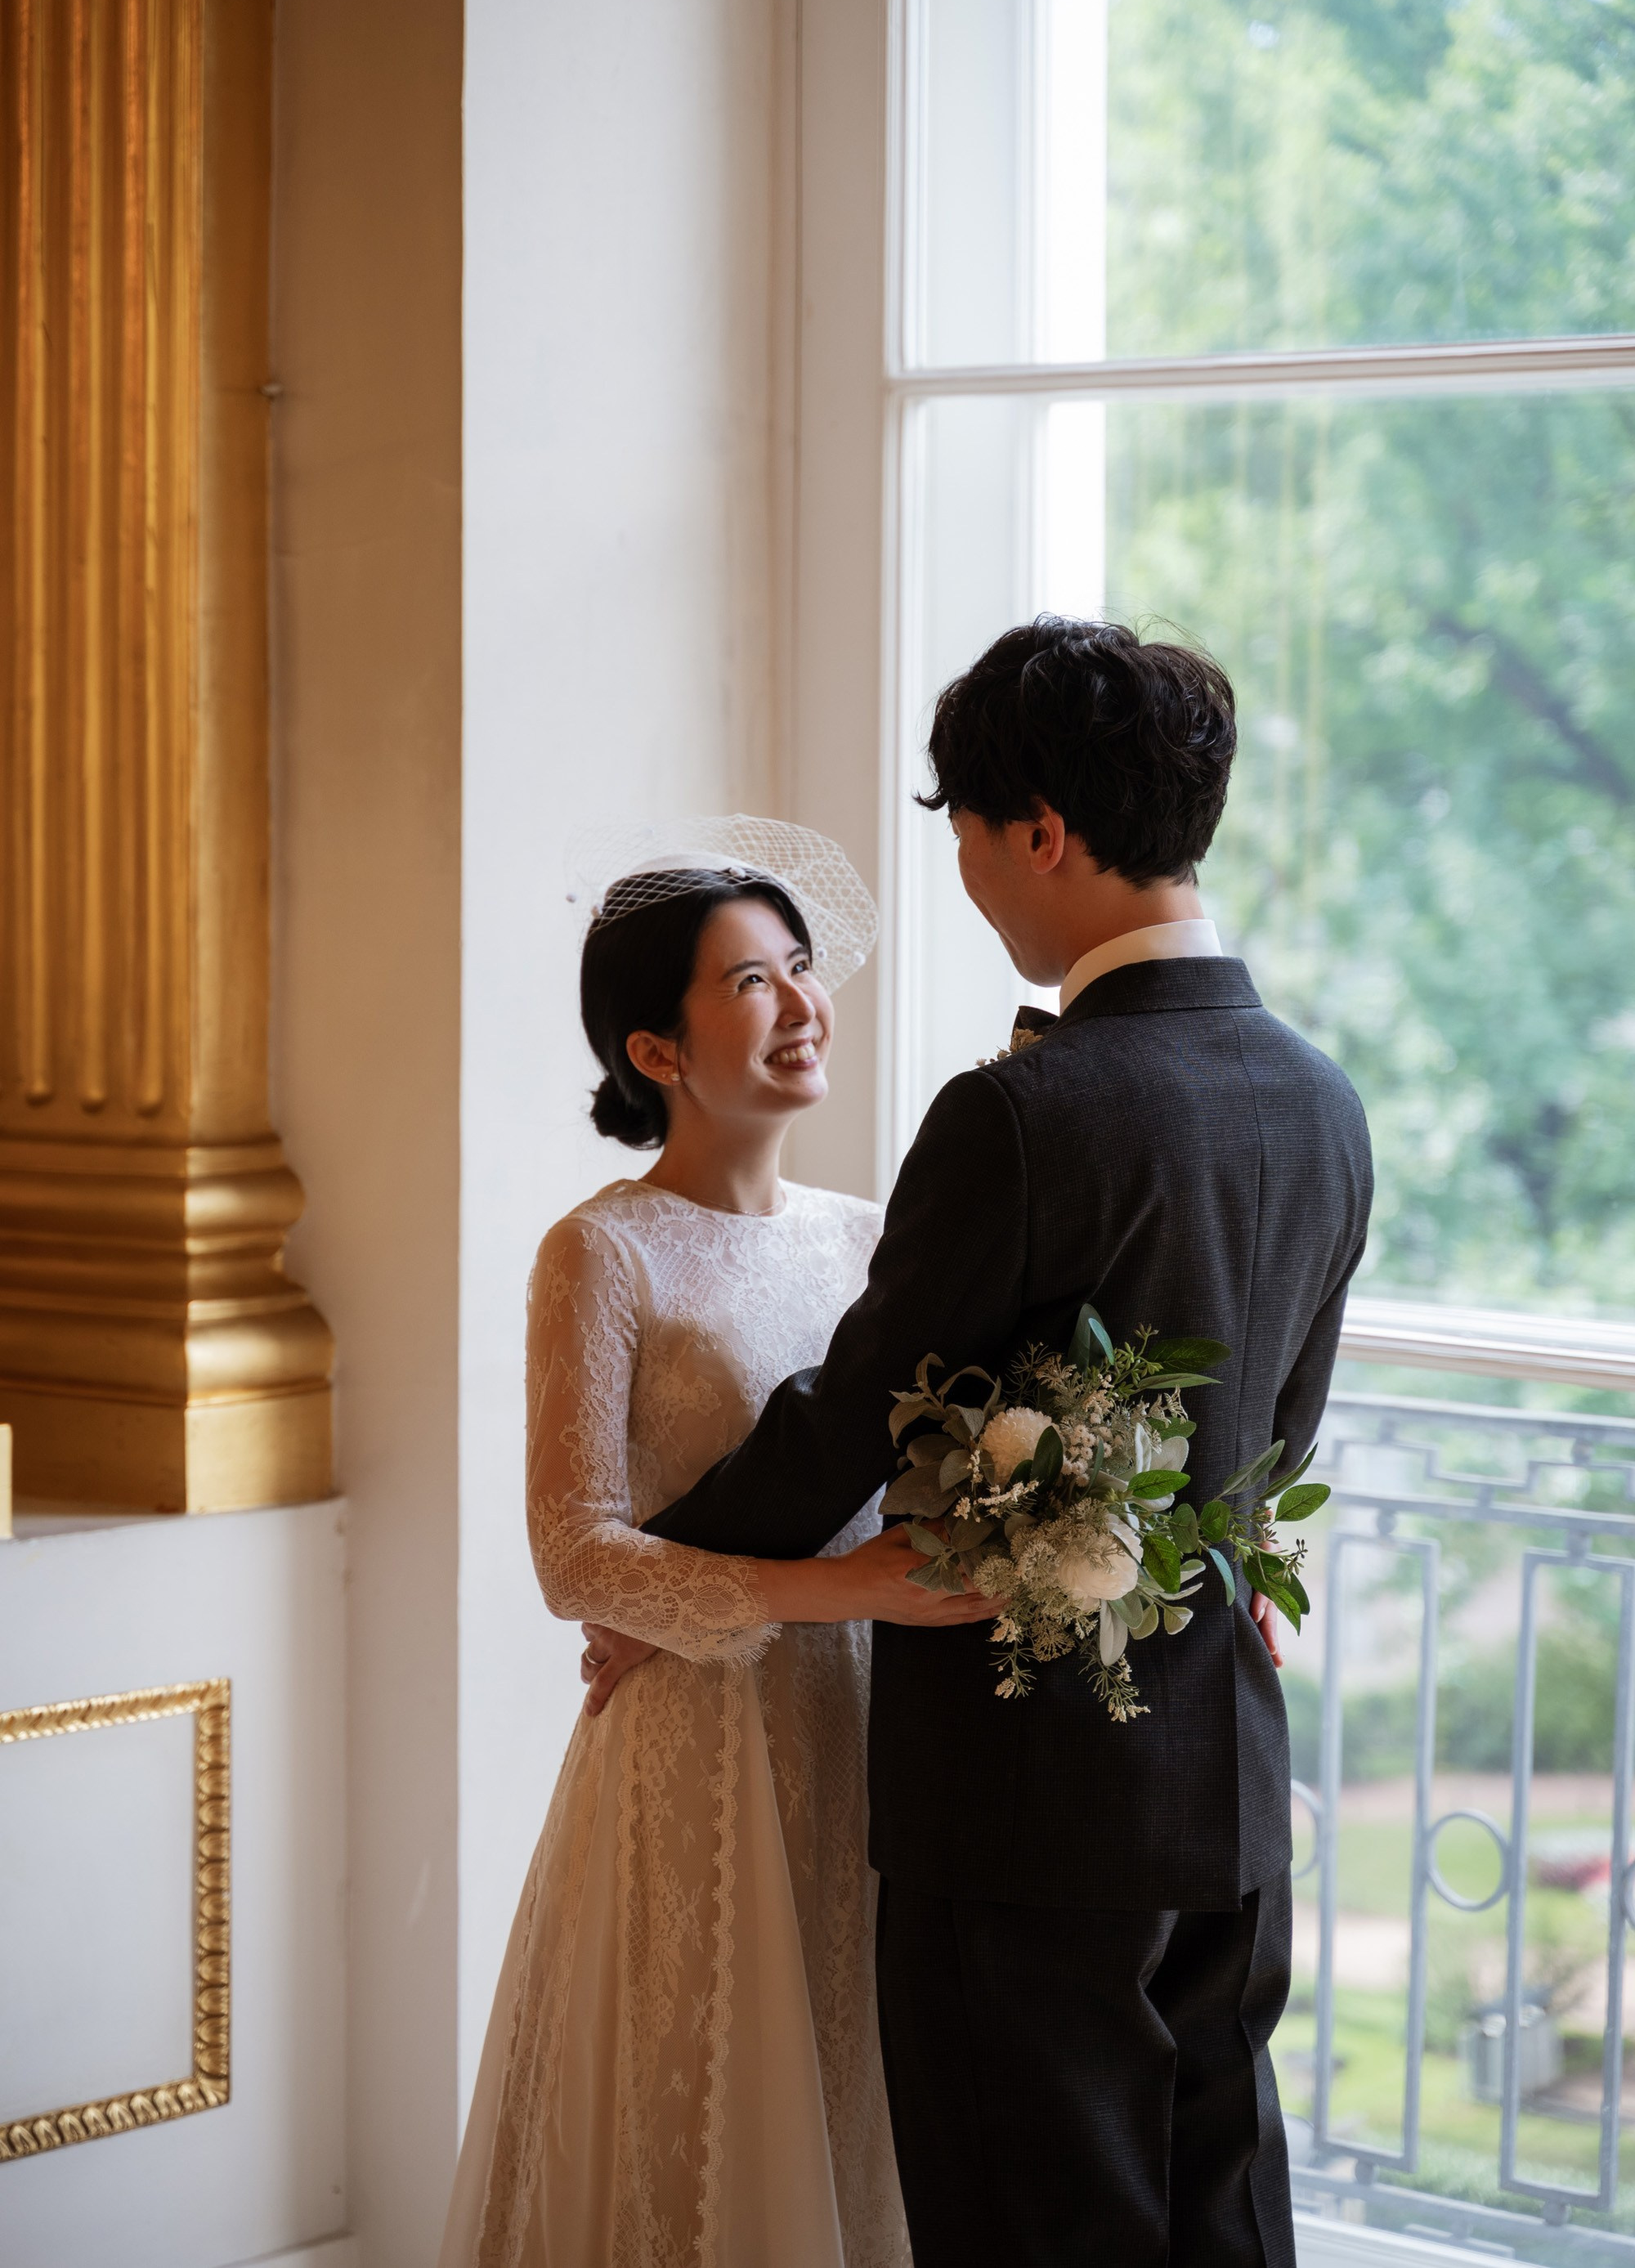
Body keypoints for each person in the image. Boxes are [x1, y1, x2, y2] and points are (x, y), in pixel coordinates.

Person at [614, 621, 1374, 2268]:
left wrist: (667, 1567)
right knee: (1219, 2215)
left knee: (1033, 2228)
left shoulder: (1025, 1111)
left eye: (959, 828)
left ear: (1039, 829)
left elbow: (854, 1410)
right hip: (1227, 1781)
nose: (961, 869)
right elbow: (1274, 1435)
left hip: (1024, 1800)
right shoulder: (1319, 1097)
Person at [437, 822, 997, 2268]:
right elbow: (575, 1555)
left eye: (803, 968)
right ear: (658, 1050)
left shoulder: (875, 1237)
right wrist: (842, 1588)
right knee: (694, 2111)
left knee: (857, 2094)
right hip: (698, 1742)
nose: (804, 1005)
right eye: (753, 981)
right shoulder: (601, 1251)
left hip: (878, 1728)